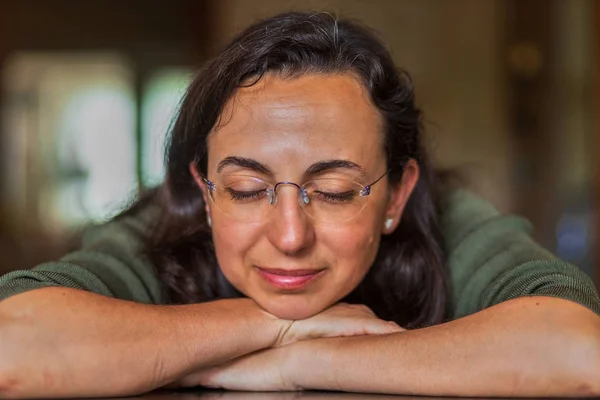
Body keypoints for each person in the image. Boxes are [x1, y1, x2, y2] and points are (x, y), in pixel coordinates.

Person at [1, 11, 599, 399]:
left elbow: (577, 352)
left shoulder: (451, 218)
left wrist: (304, 364)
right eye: (246, 189)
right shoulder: (162, 222)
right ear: (205, 194)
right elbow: (14, 347)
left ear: (398, 194)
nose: (290, 236)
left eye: (335, 192)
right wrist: (273, 326)